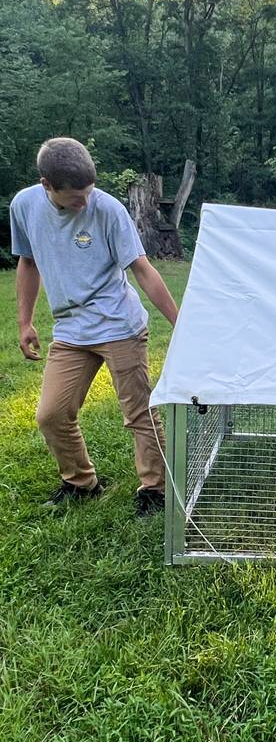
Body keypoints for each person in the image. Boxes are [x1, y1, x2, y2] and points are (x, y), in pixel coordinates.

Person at [10, 137, 179, 515]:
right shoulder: (24, 206)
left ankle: (155, 489)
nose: (83, 203)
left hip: (120, 325)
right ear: (46, 185)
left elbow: (142, 268)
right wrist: (25, 322)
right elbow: (28, 262)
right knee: (51, 414)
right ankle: (80, 482)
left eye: (87, 193)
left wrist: (179, 322)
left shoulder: (107, 209)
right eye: (74, 197)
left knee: (138, 413)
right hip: (70, 330)